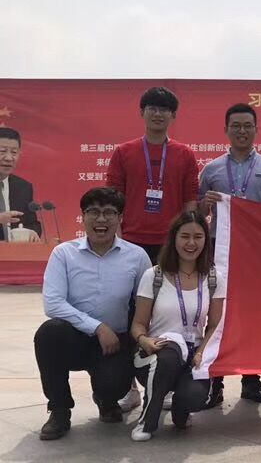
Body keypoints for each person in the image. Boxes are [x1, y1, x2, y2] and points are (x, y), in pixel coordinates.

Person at [107, 86, 200, 412]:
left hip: (170, 247)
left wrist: (186, 242)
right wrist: (118, 241)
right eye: (152, 108)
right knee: (129, 313)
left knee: (169, 313)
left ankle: (167, 383)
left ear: (173, 116)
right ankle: (130, 388)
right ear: (142, 112)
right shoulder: (124, 152)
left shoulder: (185, 155)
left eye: (164, 109)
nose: (158, 114)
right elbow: (113, 200)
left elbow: (190, 201)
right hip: (131, 245)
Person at [34, 187, 150, 440]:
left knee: (113, 386)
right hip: (73, 339)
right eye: (93, 212)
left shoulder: (137, 256)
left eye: (109, 212)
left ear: (120, 218)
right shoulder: (64, 253)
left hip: (115, 343)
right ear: (83, 217)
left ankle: (106, 399)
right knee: (48, 333)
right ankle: (59, 410)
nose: (101, 219)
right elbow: (53, 303)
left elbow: (147, 303)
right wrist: (97, 327)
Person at [199, 102, 261, 406]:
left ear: (256, 130)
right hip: (220, 252)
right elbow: (198, 214)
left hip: (257, 255)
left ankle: (252, 380)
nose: (242, 131)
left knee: (252, 316)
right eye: (236, 125)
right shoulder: (211, 169)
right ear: (226, 129)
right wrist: (205, 204)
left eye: (247, 125)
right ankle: (215, 381)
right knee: (217, 313)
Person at [129, 211, 226, 441]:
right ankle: (147, 420)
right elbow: (138, 324)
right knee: (169, 354)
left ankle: (180, 410)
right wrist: (144, 340)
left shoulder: (214, 278)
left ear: (206, 240)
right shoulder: (154, 275)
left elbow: (214, 325)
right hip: (156, 354)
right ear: (174, 238)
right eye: (185, 236)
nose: (191, 243)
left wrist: (202, 352)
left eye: (198, 237)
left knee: (194, 398)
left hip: (192, 355)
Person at [0, 127, 42, 240]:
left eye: (14, 152)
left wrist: (32, 232)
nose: (9, 158)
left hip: (15, 250)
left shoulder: (23, 187)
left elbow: (33, 224)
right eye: (2, 151)